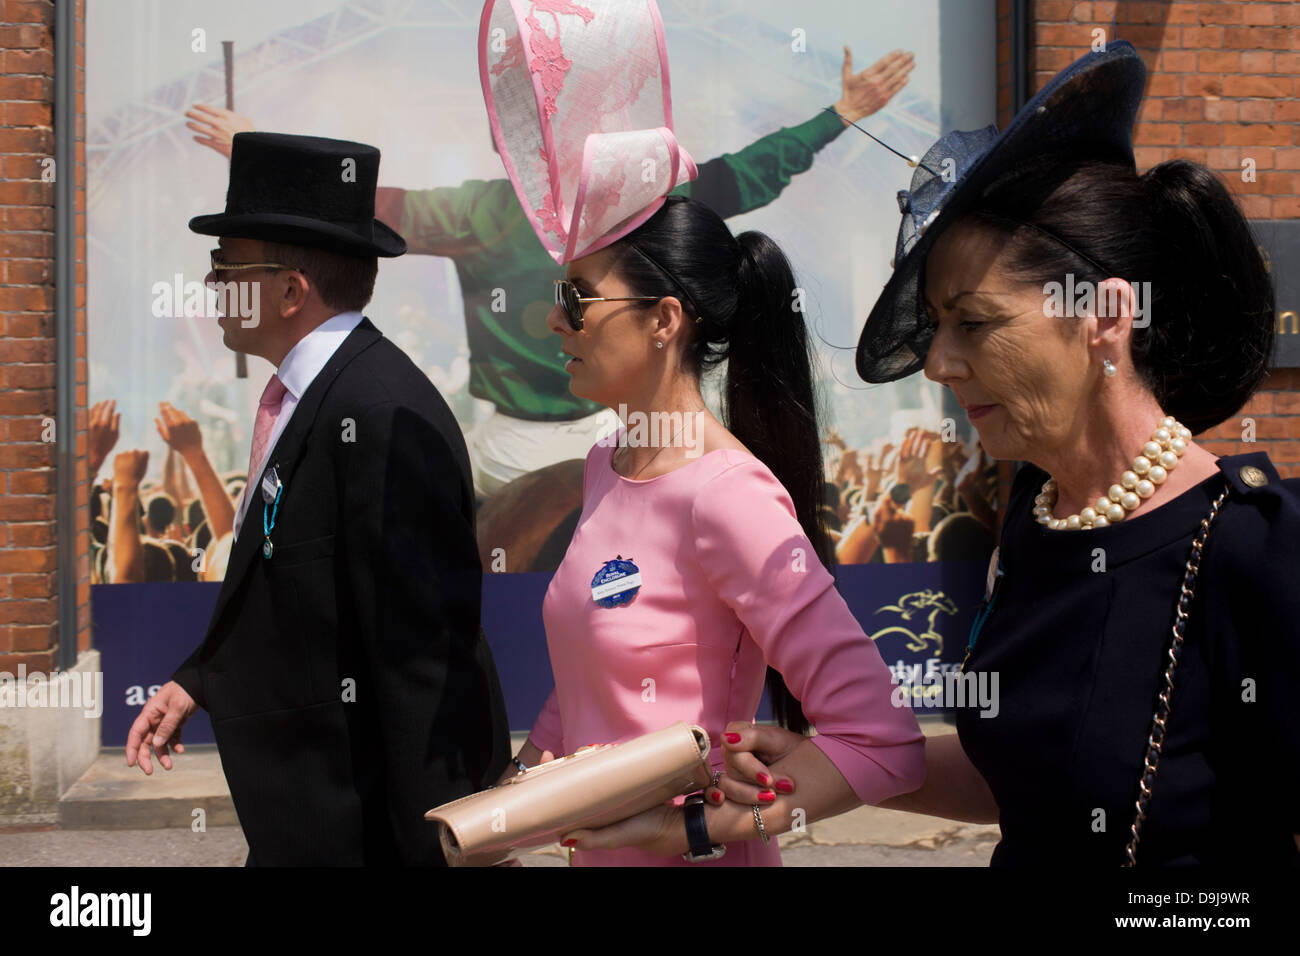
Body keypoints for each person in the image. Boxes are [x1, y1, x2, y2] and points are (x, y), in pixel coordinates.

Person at [711, 41, 1300, 866]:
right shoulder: (1036, 521)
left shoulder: (1254, 547)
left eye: (974, 323)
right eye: (936, 327)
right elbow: (1026, 779)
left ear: (1103, 315)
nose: (940, 364)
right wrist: (842, 762)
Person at [184, 46, 915, 501]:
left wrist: (251, 150)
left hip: (542, 443)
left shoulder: (490, 211)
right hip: (595, 433)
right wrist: (839, 113)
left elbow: (360, 207)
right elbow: (744, 177)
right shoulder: (628, 201)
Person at [124, 132, 512, 865]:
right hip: (307, 827)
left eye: (224, 267)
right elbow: (293, 587)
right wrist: (199, 677)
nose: (210, 286)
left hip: (364, 839)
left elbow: (422, 664)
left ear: (290, 288)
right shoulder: (309, 398)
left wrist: (438, 850)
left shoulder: (381, 413)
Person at [503, 194, 927, 866]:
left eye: (578, 298)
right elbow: (582, 687)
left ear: (664, 319)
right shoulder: (603, 466)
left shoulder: (728, 495)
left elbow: (883, 741)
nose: (556, 319)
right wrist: (504, 808)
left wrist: (690, 831)